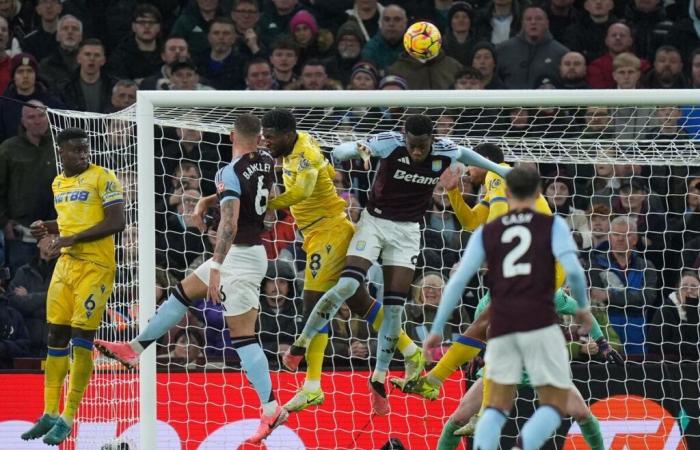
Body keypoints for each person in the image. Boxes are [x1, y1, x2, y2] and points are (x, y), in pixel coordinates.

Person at [280, 114, 509, 415]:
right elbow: (343, 151)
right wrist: (351, 151)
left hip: (407, 233)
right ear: (405, 138)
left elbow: (466, 154)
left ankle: (379, 377)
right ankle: (301, 343)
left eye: (421, 146)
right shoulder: (389, 143)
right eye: (412, 145)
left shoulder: (445, 149)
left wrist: (499, 169)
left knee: (394, 309)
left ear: (431, 140)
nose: (416, 151)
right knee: (348, 284)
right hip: (374, 224)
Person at [94, 114, 286, 444]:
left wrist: (216, 267)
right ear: (259, 138)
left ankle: (271, 409)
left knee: (243, 338)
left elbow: (229, 223)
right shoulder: (267, 159)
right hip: (249, 251)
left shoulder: (229, 171)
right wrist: (206, 199)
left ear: (230, 136)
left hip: (238, 256)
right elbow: (272, 197)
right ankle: (135, 348)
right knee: (181, 294)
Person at [261, 109, 426, 414]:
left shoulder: (306, 153)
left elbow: (304, 189)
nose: (265, 142)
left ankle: (312, 386)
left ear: (285, 135)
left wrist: (268, 204)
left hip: (330, 233)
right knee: (361, 303)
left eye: (269, 137)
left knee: (313, 301)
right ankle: (410, 350)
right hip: (319, 232)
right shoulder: (295, 145)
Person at [433, 166, 592, 450]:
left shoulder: (493, 230)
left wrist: (437, 327)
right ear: (538, 194)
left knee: (479, 416)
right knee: (574, 412)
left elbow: (458, 281)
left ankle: (439, 380)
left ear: (505, 194)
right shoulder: (553, 227)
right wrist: (583, 308)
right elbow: (576, 274)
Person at [21, 128, 126, 445]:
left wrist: (71, 238)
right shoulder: (58, 182)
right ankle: (50, 412)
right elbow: (68, 222)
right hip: (66, 266)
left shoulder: (104, 177)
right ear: (61, 151)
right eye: (76, 150)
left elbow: (117, 221)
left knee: (82, 338)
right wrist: (47, 227)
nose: (83, 155)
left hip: (96, 267)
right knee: (55, 334)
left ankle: (68, 416)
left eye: (86, 149)